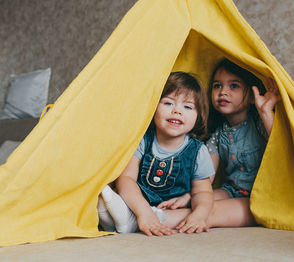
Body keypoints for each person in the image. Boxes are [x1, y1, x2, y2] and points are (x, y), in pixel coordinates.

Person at [159, 58, 281, 229]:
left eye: (234, 86)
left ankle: (150, 219)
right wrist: (188, 197)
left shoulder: (259, 124)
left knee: (211, 211)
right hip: (231, 191)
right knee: (200, 200)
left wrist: (266, 112)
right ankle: (144, 212)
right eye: (217, 86)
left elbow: (282, 149)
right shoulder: (217, 135)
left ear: (252, 97)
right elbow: (205, 180)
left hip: (262, 197)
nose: (223, 92)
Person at [97, 72, 215, 236]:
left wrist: (199, 215)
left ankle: (120, 218)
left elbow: (202, 192)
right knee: (115, 189)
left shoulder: (198, 151)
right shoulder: (143, 140)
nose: (176, 111)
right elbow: (126, 178)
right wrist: (143, 212)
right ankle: (115, 217)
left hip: (170, 208)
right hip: (137, 202)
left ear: (198, 116)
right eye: (168, 103)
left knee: (114, 204)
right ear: (153, 107)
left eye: (187, 107)